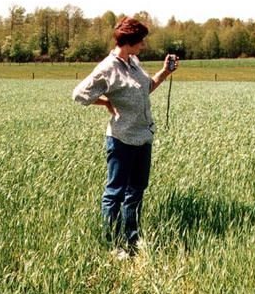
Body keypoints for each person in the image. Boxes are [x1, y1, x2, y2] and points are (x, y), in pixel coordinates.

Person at [72, 16, 178, 255]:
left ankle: (132, 237)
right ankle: (113, 244)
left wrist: (164, 72)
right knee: (115, 193)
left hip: (143, 136)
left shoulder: (134, 61)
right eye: (141, 41)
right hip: (121, 139)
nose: (144, 45)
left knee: (137, 190)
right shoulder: (107, 68)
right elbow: (79, 95)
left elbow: (146, 88)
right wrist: (106, 102)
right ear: (129, 41)